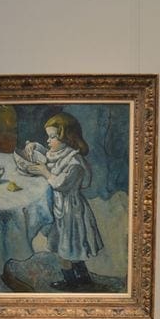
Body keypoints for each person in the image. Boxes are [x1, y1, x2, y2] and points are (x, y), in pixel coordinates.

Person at [25, 112, 104, 290]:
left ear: (66, 138)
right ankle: (83, 277)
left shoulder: (74, 162)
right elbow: (48, 155)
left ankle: (70, 282)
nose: (48, 141)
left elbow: (60, 183)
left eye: (52, 137)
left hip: (71, 211)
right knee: (70, 247)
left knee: (66, 248)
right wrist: (34, 146)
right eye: (48, 137)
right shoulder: (60, 153)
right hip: (60, 208)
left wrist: (45, 172)